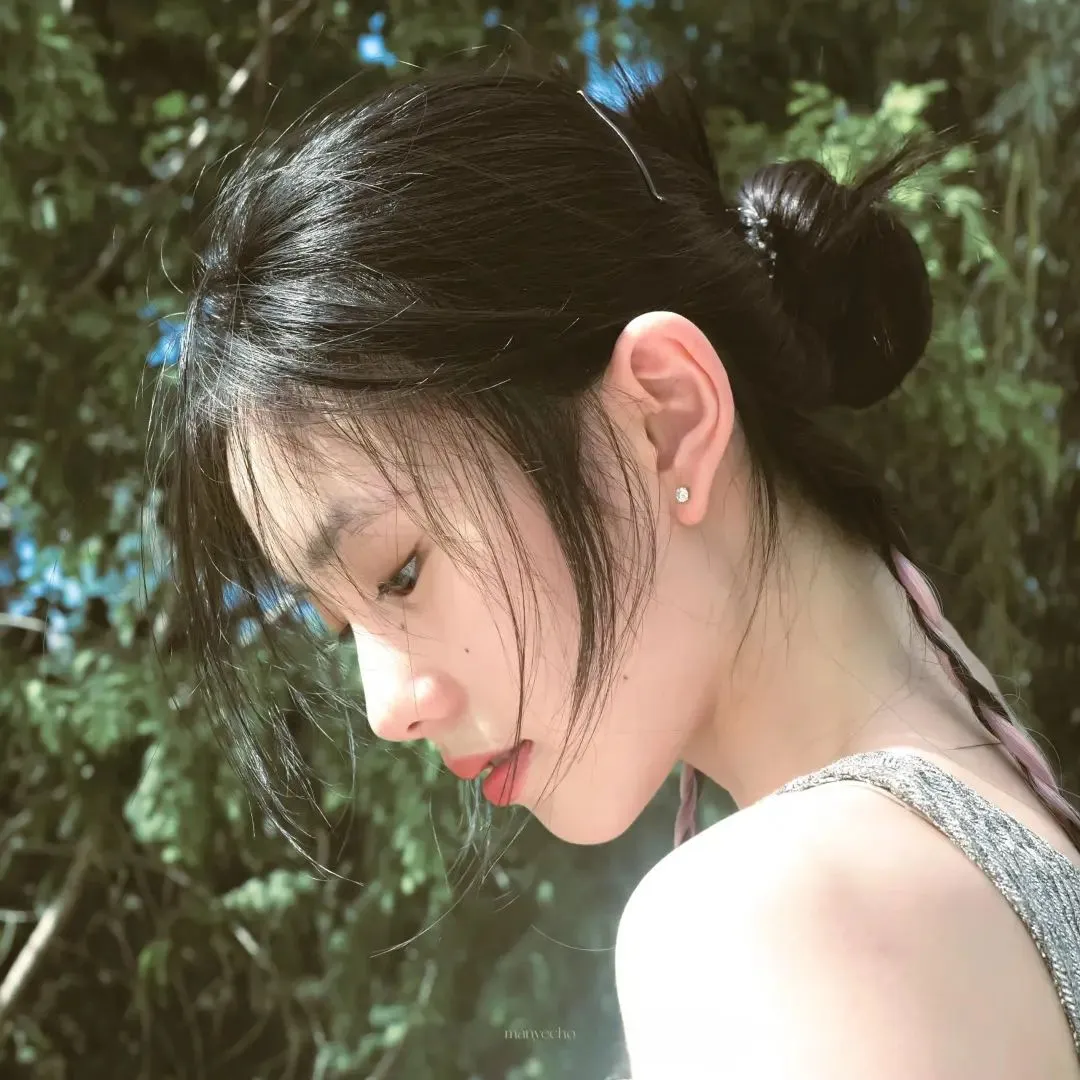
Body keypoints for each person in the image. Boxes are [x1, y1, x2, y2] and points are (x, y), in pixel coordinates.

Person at [159, 62, 1080, 1078]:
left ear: (667, 418)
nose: (387, 711)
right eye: (340, 627)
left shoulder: (775, 920)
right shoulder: (1008, 829)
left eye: (401, 571)